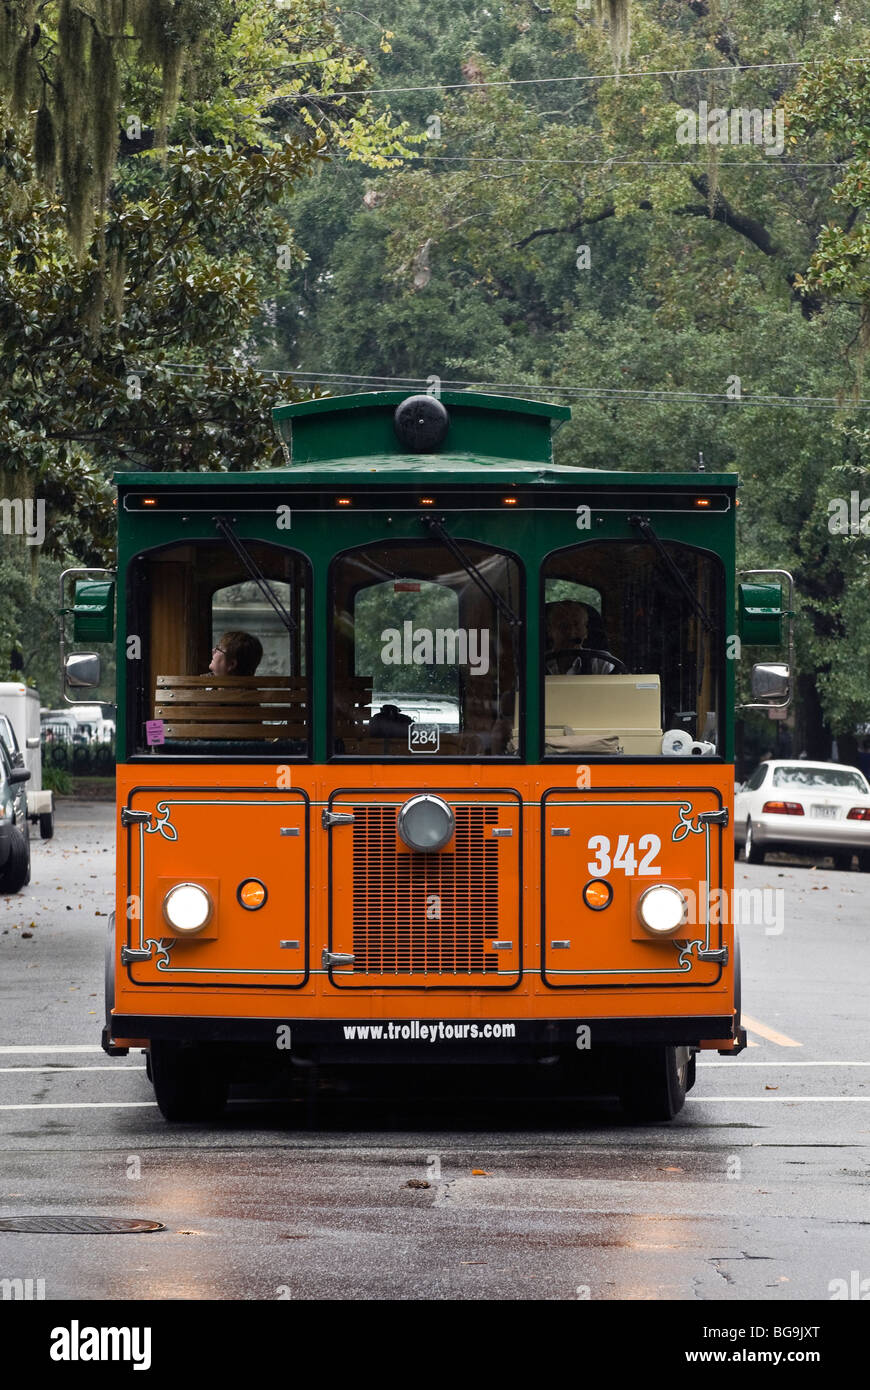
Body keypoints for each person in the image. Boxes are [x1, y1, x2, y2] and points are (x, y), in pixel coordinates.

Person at [544, 600, 617, 675]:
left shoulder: (602, 663)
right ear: (550, 631)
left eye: (577, 625)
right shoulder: (535, 664)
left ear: (586, 631)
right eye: (563, 626)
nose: (571, 634)